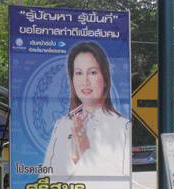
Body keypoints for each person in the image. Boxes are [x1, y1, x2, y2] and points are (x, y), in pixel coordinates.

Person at [43, 42, 131, 178]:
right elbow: (45, 180)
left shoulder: (122, 126)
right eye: (78, 73)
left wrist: (85, 155)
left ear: (105, 79)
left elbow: (123, 185)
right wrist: (73, 161)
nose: (85, 81)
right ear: (72, 79)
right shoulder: (61, 126)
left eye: (93, 72)